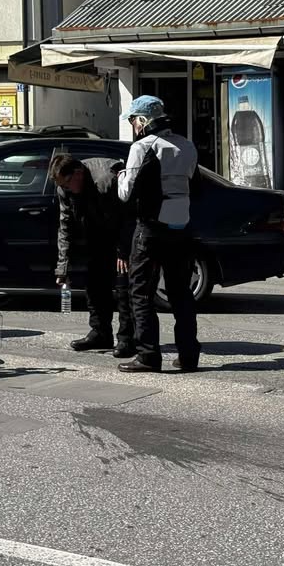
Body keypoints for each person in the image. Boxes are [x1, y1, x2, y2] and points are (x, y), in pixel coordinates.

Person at [116, 95, 201, 373]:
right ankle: (188, 355)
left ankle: (148, 356)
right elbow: (193, 182)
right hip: (181, 226)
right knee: (181, 293)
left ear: (143, 120)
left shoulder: (143, 146)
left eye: (133, 120)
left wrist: (120, 174)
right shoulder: (186, 145)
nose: (132, 126)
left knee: (141, 292)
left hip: (151, 228)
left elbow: (126, 193)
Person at [50, 153, 136, 358]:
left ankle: (127, 338)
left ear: (77, 173)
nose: (65, 189)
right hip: (96, 236)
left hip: (120, 236)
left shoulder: (106, 180)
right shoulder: (64, 188)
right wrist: (63, 267)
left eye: (67, 184)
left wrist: (123, 251)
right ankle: (100, 332)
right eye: (62, 186)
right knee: (95, 285)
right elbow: (65, 226)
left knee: (123, 290)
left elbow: (128, 216)